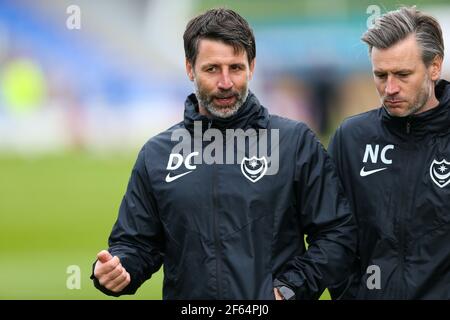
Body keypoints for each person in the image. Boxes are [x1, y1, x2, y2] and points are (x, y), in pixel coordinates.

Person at [91, 8, 356, 300]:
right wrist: (120, 268)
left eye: (236, 68)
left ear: (252, 67)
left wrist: (288, 290)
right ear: (190, 68)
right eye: (212, 69)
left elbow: (337, 234)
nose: (226, 82)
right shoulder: (157, 154)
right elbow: (136, 244)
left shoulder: (294, 143)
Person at [328, 7, 450, 299]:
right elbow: (330, 234)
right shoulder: (351, 140)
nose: (390, 88)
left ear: (434, 66)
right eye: (380, 75)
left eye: (403, 74)